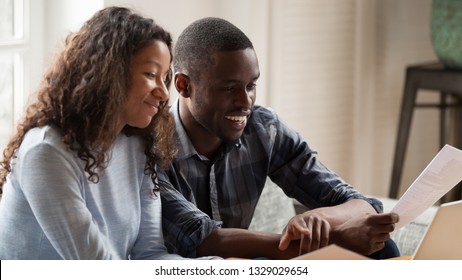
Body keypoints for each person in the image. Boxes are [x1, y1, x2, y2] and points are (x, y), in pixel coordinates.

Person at [0, 6, 304, 261]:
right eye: (150, 74)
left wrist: (219, 268)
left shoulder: (134, 143)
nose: (162, 91)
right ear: (109, 74)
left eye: (165, 76)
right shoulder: (46, 153)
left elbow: (150, 254)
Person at [162, 16, 400, 259]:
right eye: (229, 88)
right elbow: (202, 240)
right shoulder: (151, 148)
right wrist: (334, 241)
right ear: (184, 85)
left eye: (251, 86)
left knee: (382, 246)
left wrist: (318, 216)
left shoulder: (263, 128)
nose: (246, 103)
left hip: (243, 264)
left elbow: (361, 204)